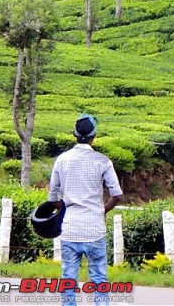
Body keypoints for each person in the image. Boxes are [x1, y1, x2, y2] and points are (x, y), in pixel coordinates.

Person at [47, 114, 124, 305]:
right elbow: (117, 195)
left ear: (74, 134)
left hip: (70, 229)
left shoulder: (62, 160)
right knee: (99, 279)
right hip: (94, 230)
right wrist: (102, 211)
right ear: (94, 135)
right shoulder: (103, 161)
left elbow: (53, 198)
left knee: (68, 278)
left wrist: (64, 208)